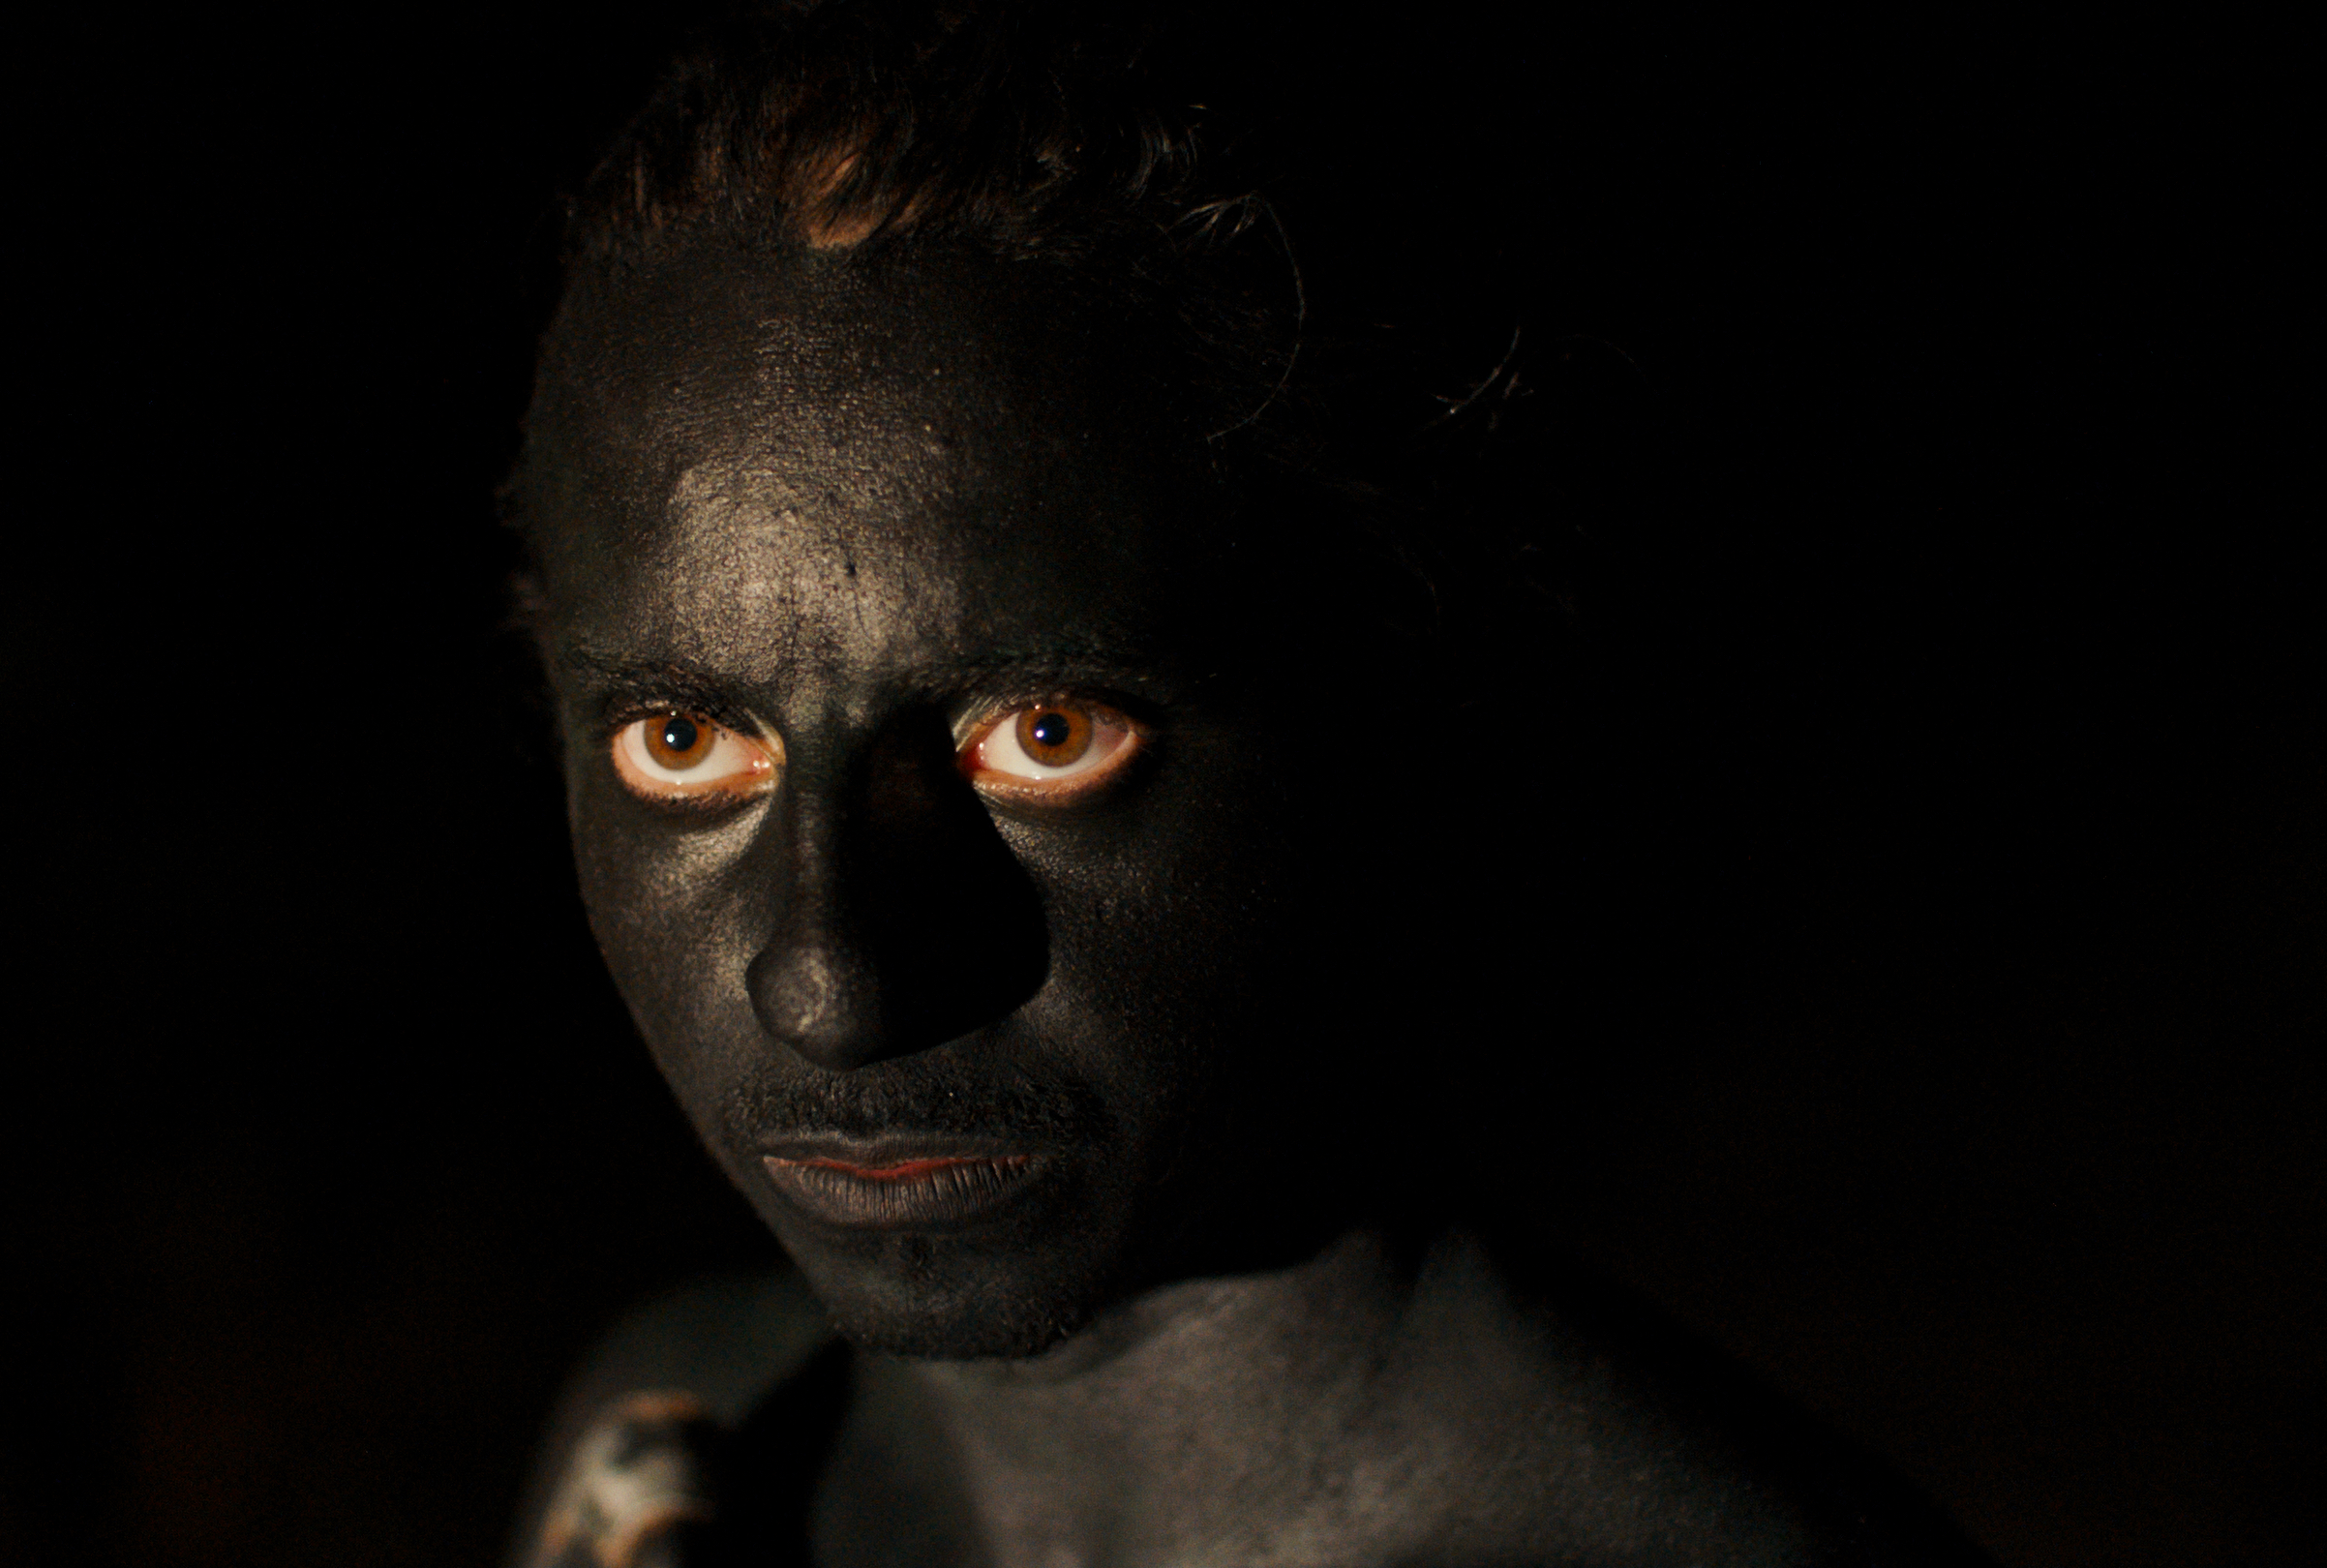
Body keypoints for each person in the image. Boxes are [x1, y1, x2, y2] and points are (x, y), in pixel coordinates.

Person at [504, 4, 1992, 1562]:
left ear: (1386, 692)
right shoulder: (683, 1443)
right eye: (682, 743)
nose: (835, 988)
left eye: (1049, 734)